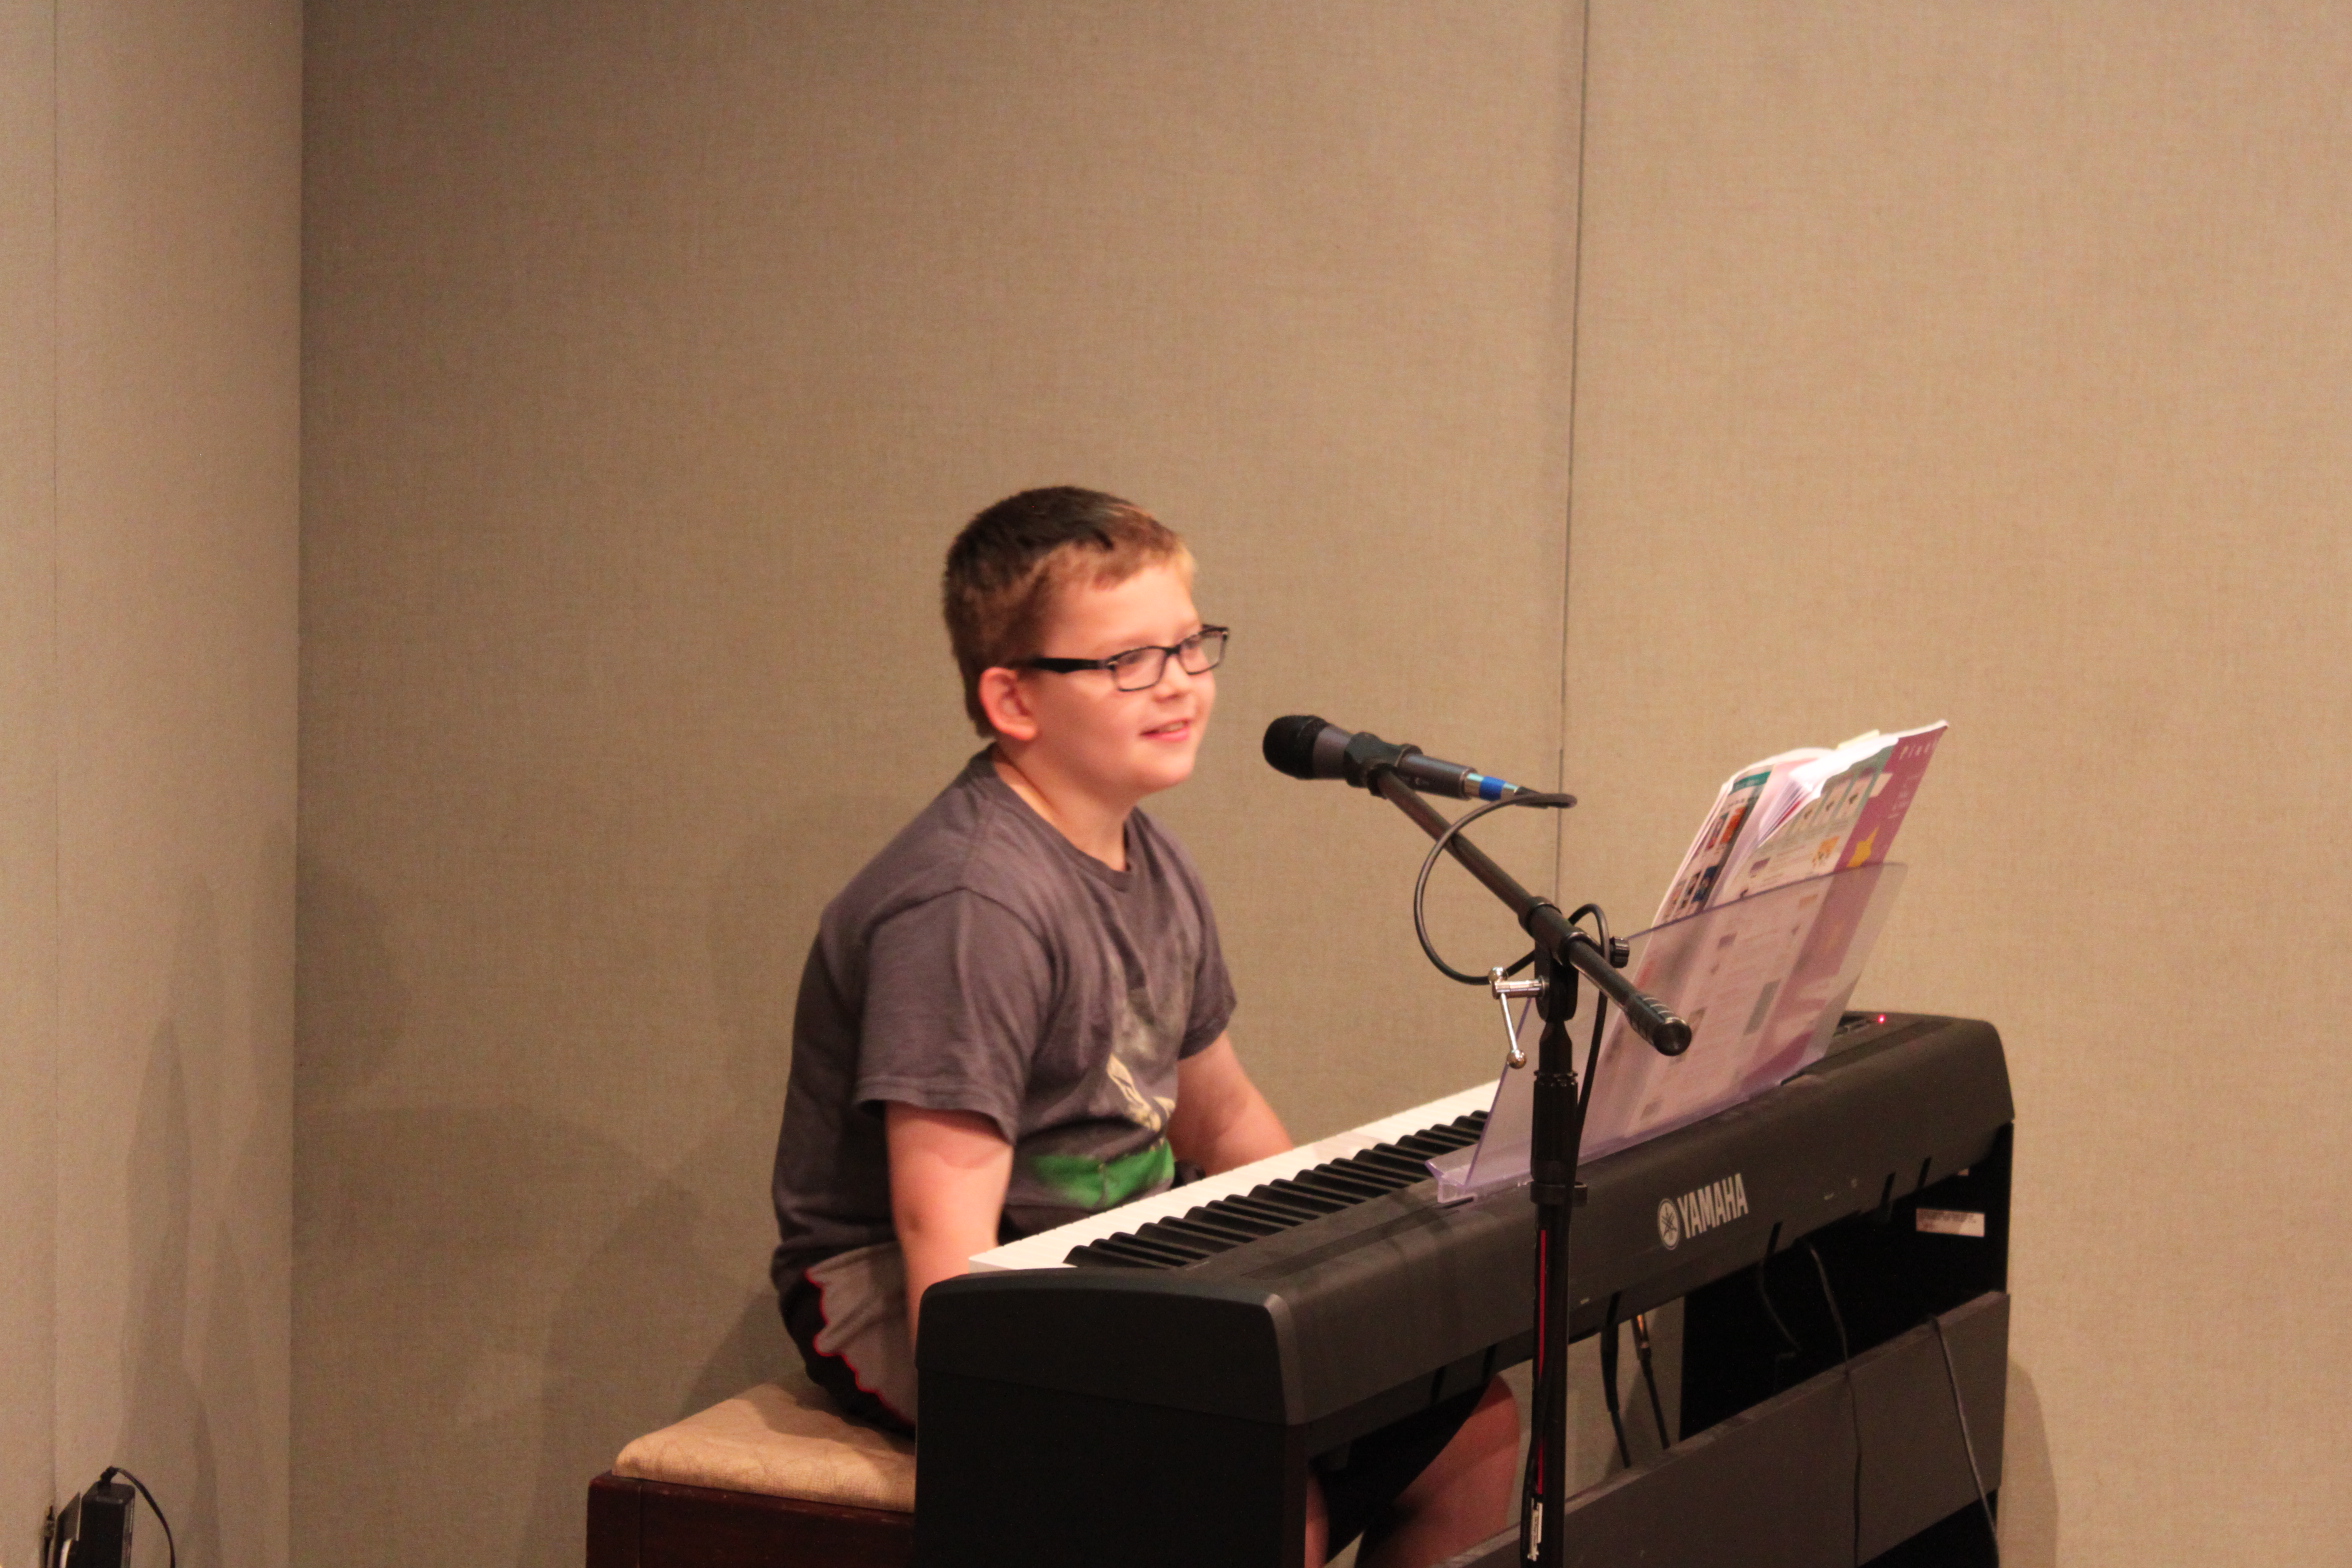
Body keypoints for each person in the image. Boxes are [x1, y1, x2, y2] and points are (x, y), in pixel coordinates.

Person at [767, 486, 1518, 1565]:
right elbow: (946, 1242)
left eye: (1189, 645)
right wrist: (1028, 1428)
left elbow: (1220, 1111)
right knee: (1245, 1483)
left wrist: (1340, 1270)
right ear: (1013, 699)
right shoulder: (972, 905)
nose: (1178, 683)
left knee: (1473, 1426)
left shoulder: (1150, 856)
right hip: (909, 1285)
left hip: (1110, 1250)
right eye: (1128, 660)